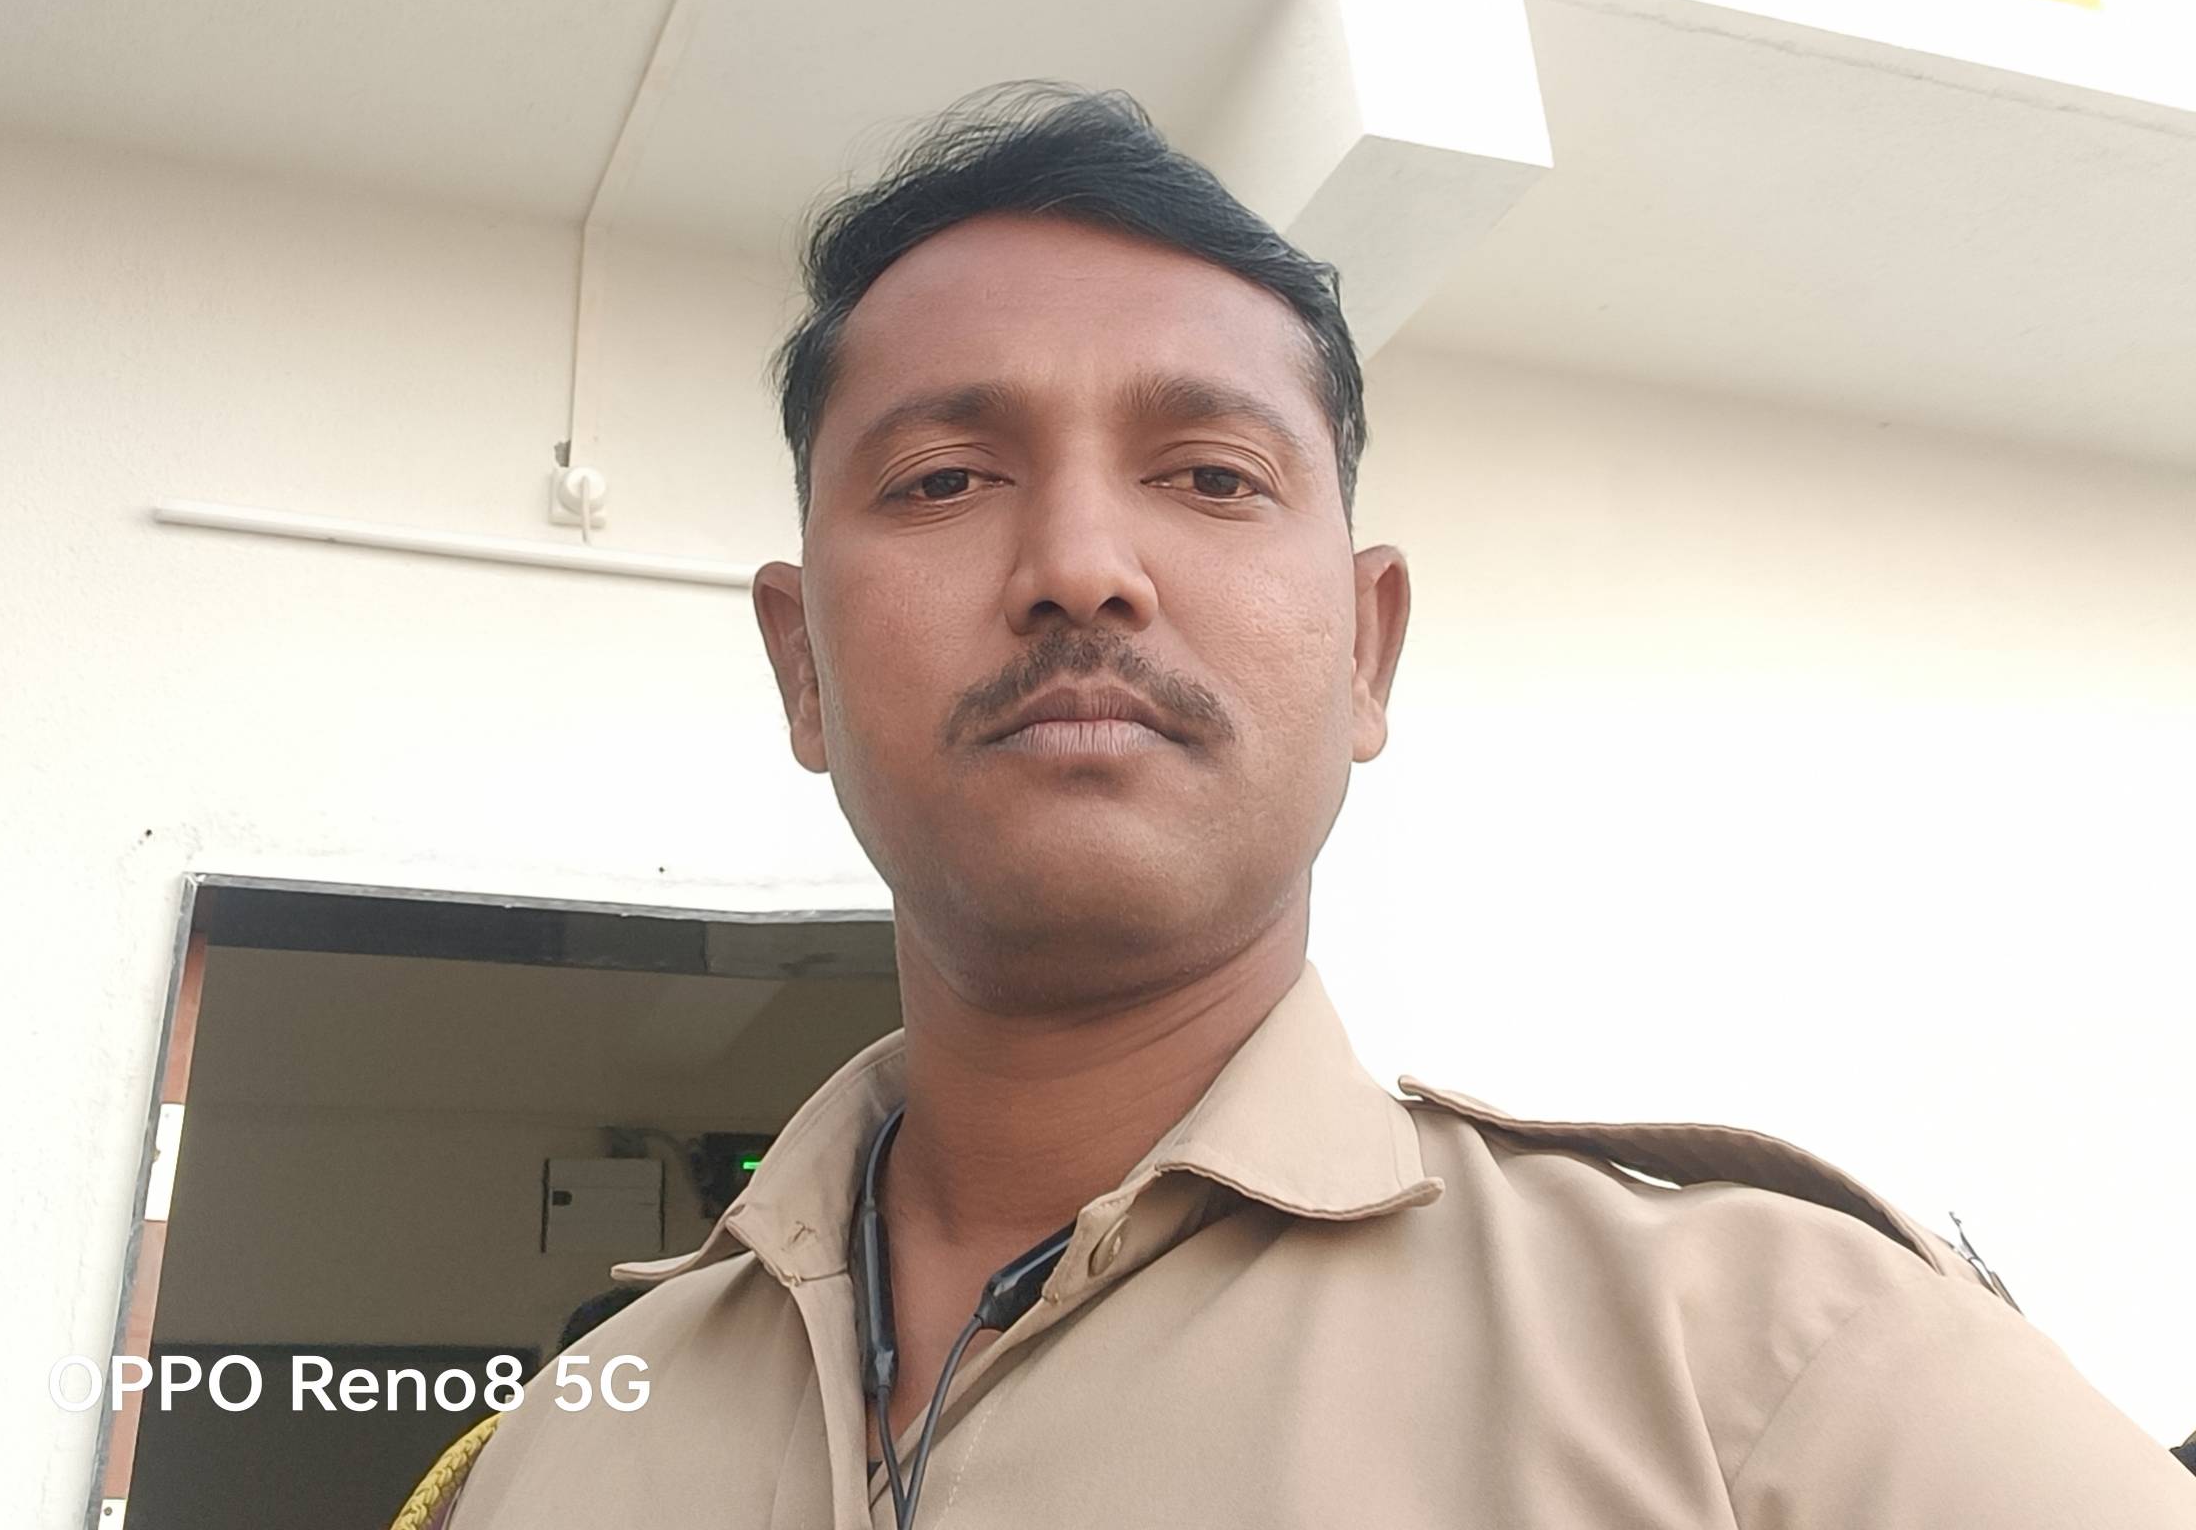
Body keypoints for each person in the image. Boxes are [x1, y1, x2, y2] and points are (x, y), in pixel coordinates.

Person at [427, 82, 2196, 1527]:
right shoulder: (560, 1445)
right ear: (801, 666)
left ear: (1367, 648)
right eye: (948, 478)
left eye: (1209, 475)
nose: (1081, 566)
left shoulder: (1783, 1372)